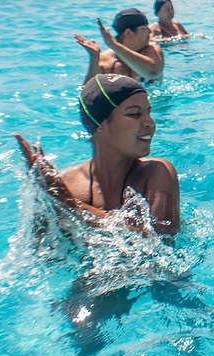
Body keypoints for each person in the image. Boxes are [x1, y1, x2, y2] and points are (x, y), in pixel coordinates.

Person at [13, 74, 180, 235]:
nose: (149, 122)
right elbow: (44, 254)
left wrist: (68, 203)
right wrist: (42, 194)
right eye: (134, 114)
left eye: (148, 112)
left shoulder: (156, 173)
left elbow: (161, 240)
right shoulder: (65, 183)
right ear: (101, 124)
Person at [75, 8, 165, 83]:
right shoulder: (105, 59)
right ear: (128, 33)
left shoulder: (152, 50)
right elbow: (88, 93)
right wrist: (94, 57)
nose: (149, 32)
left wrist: (113, 44)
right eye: (144, 28)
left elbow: (153, 73)